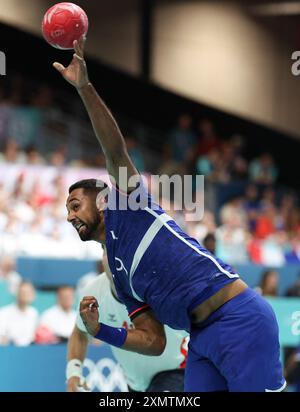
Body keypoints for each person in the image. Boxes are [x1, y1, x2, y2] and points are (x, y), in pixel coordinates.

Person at [57, 36, 285, 392]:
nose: (69, 216)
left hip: (239, 319)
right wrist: (100, 331)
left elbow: (113, 149)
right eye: (66, 211)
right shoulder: (119, 277)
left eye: (74, 205)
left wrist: (85, 88)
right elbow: (153, 341)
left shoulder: (133, 208)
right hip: (200, 341)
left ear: (103, 199)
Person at [67, 248, 187, 392]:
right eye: (108, 252)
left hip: (176, 370)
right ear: (102, 259)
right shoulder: (93, 293)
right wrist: (74, 372)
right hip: (135, 383)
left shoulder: (158, 287)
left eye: (120, 252)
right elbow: (80, 333)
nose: (114, 259)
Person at [0, 281, 38, 346]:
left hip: (30, 350)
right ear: (17, 293)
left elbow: (33, 337)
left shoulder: (34, 313)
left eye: (28, 292)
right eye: (23, 292)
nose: (25, 295)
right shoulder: (4, 313)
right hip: (10, 351)